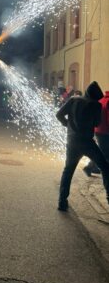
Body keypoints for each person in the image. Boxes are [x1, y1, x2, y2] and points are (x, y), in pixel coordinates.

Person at [56, 81, 109, 211]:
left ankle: (62, 202)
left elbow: (59, 115)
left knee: (68, 170)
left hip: (72, 141)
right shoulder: (96, 105)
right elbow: (97, 123)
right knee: (105, 167)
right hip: (87, 142)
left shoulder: (73, 100)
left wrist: (68, 124)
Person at [83, 89, 109, 177]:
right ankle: (91, 168)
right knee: (105, 153)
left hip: (98, 130)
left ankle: (91, 167)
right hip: (105, 131)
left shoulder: (101, 100)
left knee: (102, 151)